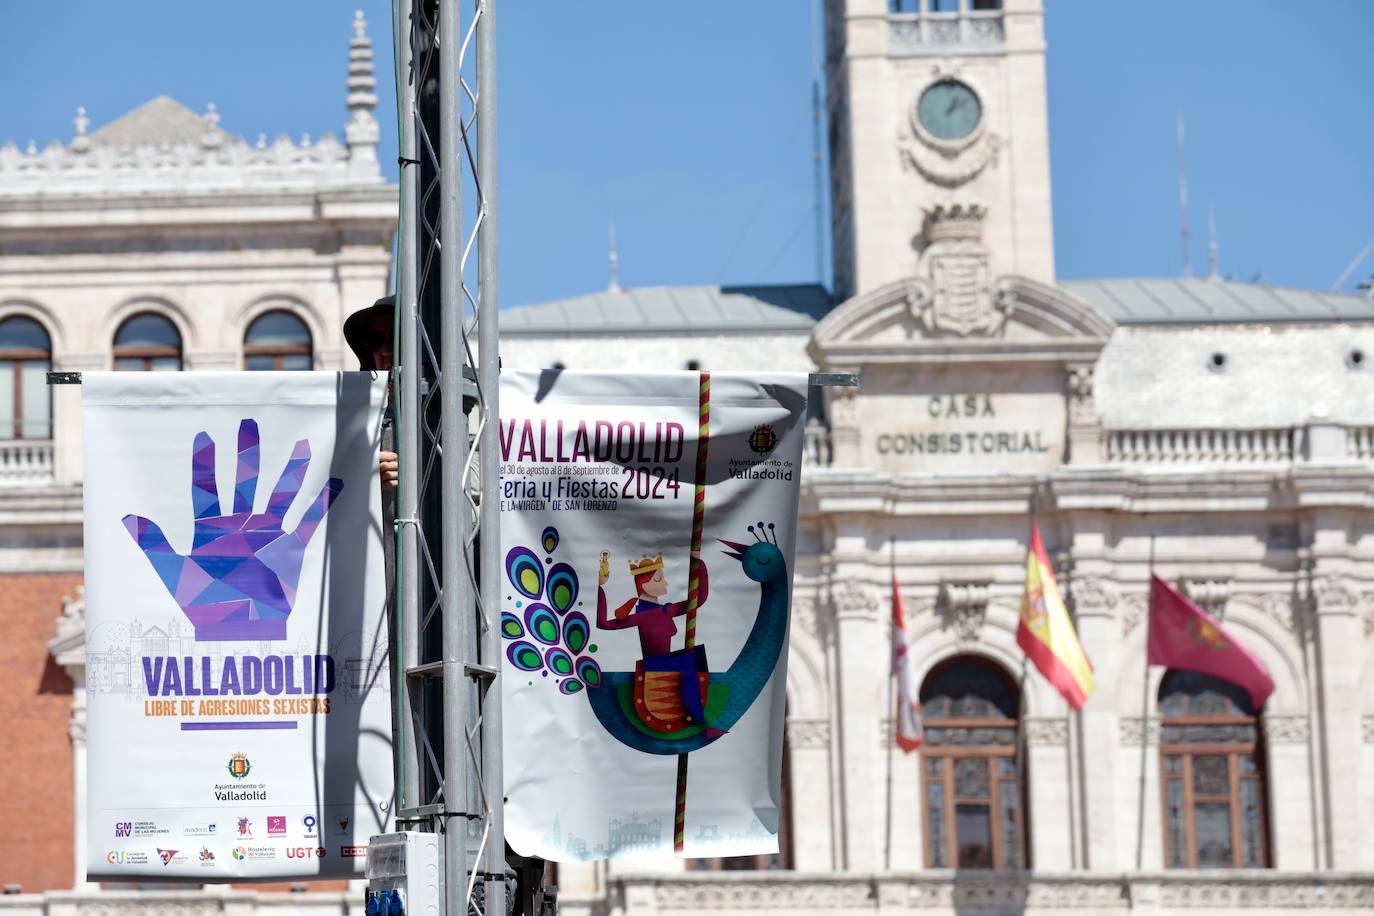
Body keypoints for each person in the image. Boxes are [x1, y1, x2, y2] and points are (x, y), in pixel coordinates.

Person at [596, 550, 724, 737]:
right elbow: (603, 623)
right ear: (644, 585)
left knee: (694, 657)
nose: (666, 583)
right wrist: (600, 588)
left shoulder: (666, 610)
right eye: (659, 579)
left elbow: (699, 599)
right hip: (655, 665)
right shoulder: (641, 616)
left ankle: (697, 716)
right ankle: (700, 721)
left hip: (666, 661)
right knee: (690, 661)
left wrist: (699, 563)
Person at [343, 295, 398, 491]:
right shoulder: (350, 416)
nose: (385, 349)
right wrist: (361, 476)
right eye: (375, 340)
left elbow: (487, 472)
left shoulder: (454, 401)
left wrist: (415, 470)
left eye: (397, 337)